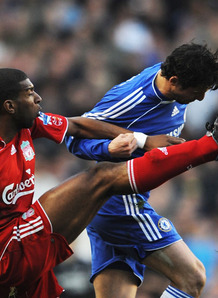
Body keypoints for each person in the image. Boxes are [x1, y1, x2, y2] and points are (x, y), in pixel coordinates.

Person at [0, 69, 217, 298]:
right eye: (29, 92)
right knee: (102, 177)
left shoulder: (30, 123)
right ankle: (210, 147)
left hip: (23, 242)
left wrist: (142, 140)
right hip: (9, 247)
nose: (38, 97)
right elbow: (79, 140)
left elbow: (80, 127)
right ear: (10, 106)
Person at [66, 43, 218, 298]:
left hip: (112, 205)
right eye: (196, 92)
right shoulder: (133, 97)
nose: (200, 98)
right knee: (192, 278)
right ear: (174, 80)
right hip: (118, 204)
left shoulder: (173, 82)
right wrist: (136, 141)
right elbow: (74, 134)